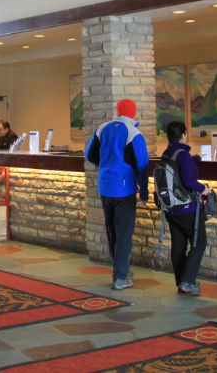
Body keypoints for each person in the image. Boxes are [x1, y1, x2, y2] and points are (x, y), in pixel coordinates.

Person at [85, 98, 149, 291]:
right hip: (124, 189)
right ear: (133, 113)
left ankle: (118, 272)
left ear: (118, 111)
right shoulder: (133, 133)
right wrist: (144, 192)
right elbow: (142, 165)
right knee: (124, 234)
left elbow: (90, 154)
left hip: (105, 186)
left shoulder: (102, 128)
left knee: (112, 231)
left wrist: (106, 167)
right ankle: (120, 277)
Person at [161, 121, 211, 296]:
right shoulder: (183, 155)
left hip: (171, 208)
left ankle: (181, 281)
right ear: (183, 135)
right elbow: (189, 181)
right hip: (187, 208)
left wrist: (196, 158)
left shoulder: (168, 152)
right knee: (199, 242)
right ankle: (188, 282)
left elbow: (181, 165)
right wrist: (204, 189)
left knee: (179, 243)